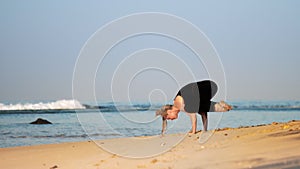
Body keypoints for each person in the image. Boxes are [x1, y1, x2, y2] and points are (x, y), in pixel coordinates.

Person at [156, 80, 232, 135]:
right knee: (202, 109)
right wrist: (205, 130)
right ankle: (223, 106)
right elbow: (202, 113)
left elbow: (193, 117)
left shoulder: (179, 104)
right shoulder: (180, 104)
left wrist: (193, 132)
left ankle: (221, 105)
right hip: (210, 86)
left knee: (196, 109)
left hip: (207, 87)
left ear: (169, 112)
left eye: (168, 118)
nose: (171, 120)